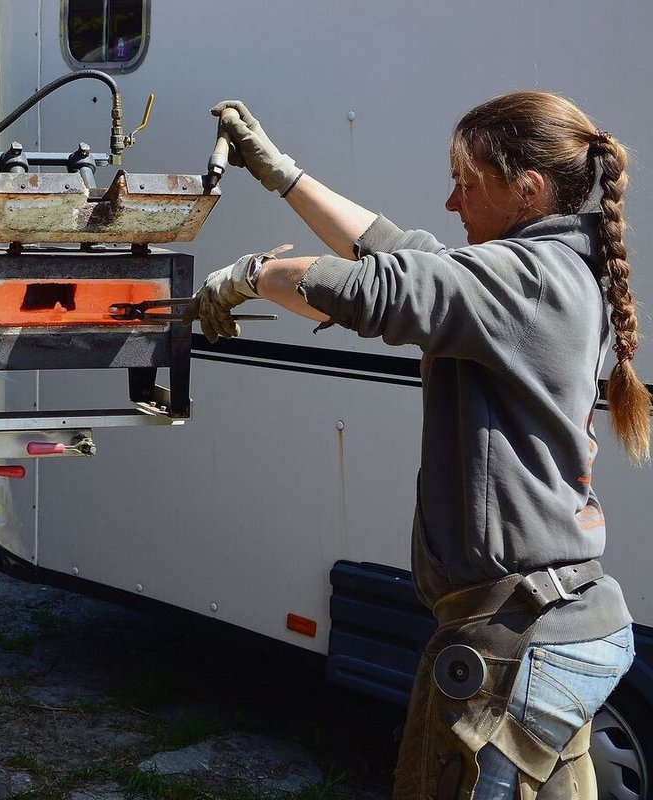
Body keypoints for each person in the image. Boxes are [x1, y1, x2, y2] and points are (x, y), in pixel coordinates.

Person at [190, 92, 651, 799]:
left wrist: (251, 275)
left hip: (516, 643)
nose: (451, 203)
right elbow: (405, 252)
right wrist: (282, 173)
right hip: (558, 625)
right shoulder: (553, 267)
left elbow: (378, 289)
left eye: (466, 184)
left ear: (526, 189)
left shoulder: (525, 279)